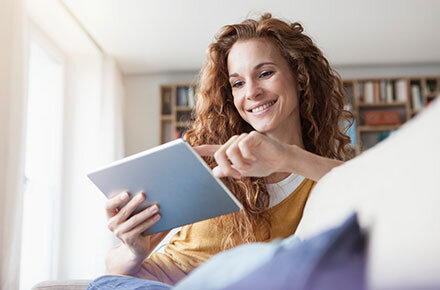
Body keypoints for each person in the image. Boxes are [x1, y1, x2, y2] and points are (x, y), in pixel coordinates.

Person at [101, 13, 352, 287]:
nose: (252, 92)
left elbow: (366, 181)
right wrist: (133, 249)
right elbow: (114, 269)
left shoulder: (318, 174)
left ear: (300, 77)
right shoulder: (207, 161)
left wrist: (285, 156)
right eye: (238, 83)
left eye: (265, 73)